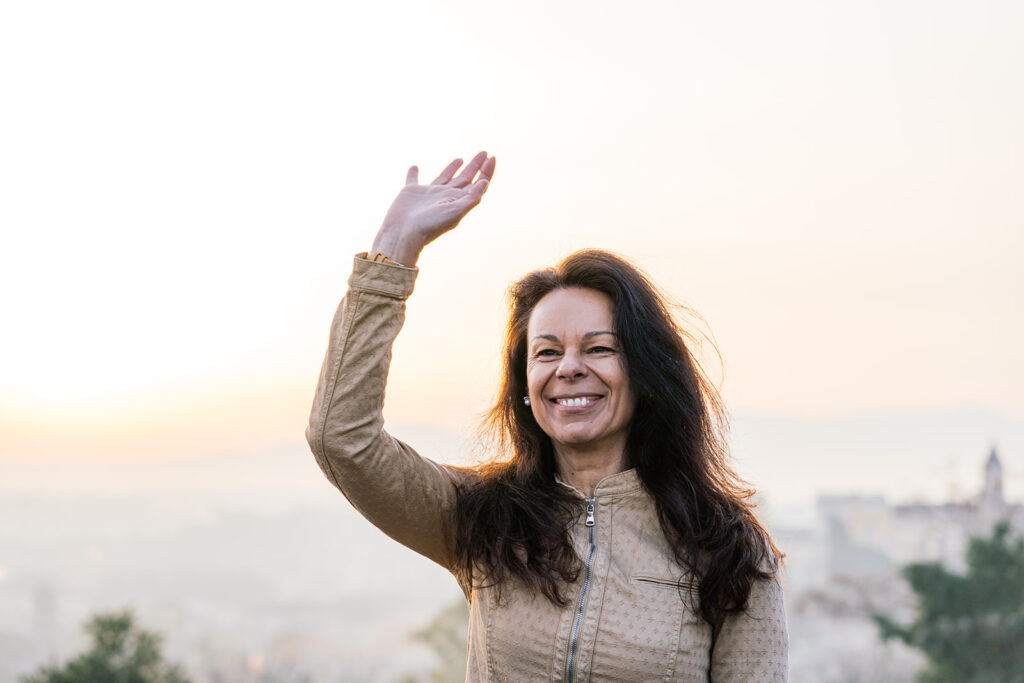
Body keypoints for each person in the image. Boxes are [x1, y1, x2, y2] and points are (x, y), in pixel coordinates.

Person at [306, 151, 788, 681]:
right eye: (548, 352)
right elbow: (340, 439)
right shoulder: (480, 517)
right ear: (526, 386)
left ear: (647, 371)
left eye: (600, 348)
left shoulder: (726, 547)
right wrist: (393, 253)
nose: (571, 369)